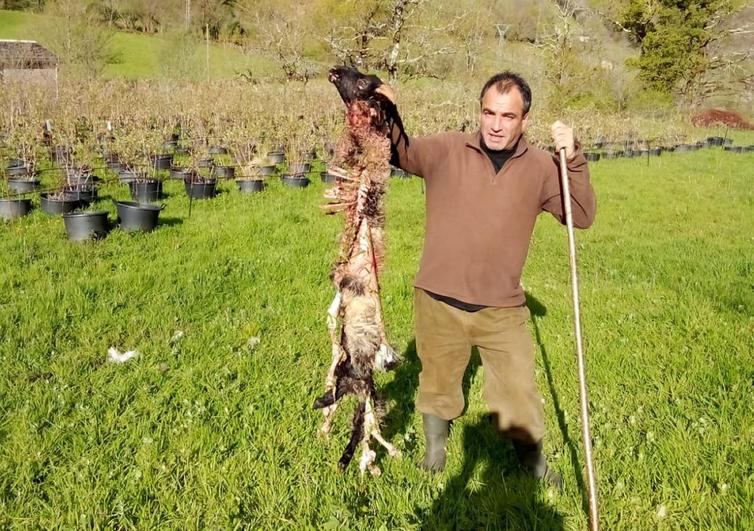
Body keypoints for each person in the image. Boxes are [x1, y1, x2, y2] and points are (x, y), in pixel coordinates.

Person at [376, 72, 596, 488]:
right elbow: (399, 151)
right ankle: (434, 454)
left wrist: (573, 159)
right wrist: (385, 108)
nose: (496, 124)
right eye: (489, 113)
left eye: (508, 116)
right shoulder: (446, 149)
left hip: (501, 305)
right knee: (437, 379)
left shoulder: (542, 169)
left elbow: (581, 216)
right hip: (438, 296)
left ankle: (534, 467)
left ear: (524, 120)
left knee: (518, 391)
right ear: (480, 111)